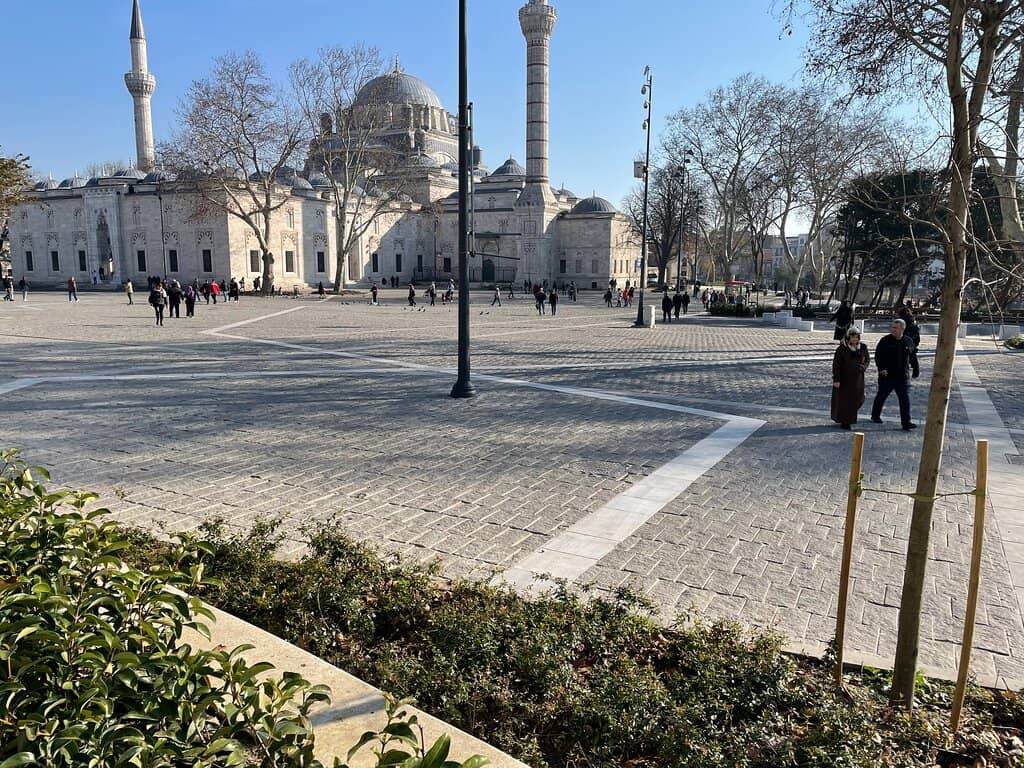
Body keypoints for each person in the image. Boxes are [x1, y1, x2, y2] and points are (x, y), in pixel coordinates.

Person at [871, 318, 920, 430]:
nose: (893, 330)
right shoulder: (885, 340)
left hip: (902, 376)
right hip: (887, 375)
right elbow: (878, 356)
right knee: (881, 396)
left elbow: (912, 356)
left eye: (896, 328)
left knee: (905, 399)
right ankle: (875, 415)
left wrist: (916, 368)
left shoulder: (908, 341)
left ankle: (906, 422)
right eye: (892, 327)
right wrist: (881, 368)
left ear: (902, 329)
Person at [831, 328, 870, 430]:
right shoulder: (842, 349)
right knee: (846, 401)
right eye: (853, 337)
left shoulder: (862, 347)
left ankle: (848, 416)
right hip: (845, 379)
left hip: (858, 378)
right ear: (848, 338)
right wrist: (836, 379)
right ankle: (846, 421)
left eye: (857, 337)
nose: (855, 339)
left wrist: (863, 367)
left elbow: (867, 360)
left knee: (859, 399)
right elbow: (836, 365)